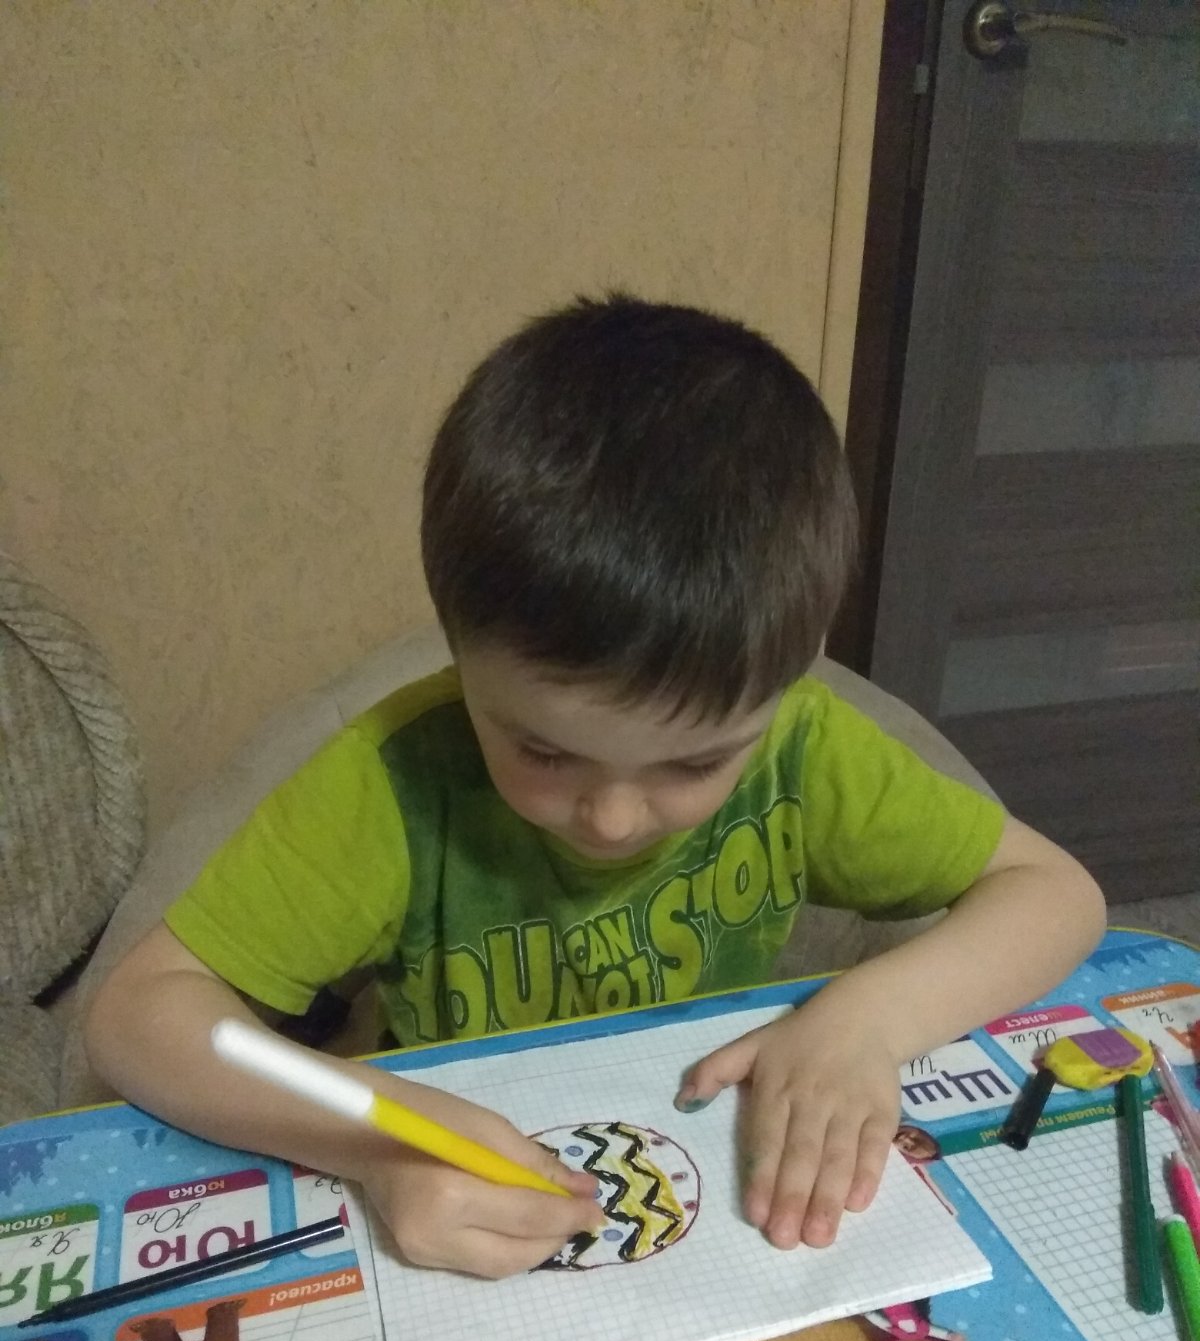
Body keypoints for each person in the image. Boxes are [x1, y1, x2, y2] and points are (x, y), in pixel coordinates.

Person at [85, 295, 1106, 1279]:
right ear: (461, 655)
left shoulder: (808, 748)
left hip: (699, 1178)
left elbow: (1057, 893)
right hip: (469, 1187)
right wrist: (376, 1134)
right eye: (544, 752)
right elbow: (137, 1013)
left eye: (695, 764)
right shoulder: (392, 780)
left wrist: (870, 1021)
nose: (613, 819)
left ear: (788, 686)